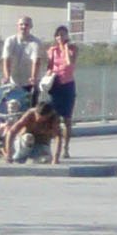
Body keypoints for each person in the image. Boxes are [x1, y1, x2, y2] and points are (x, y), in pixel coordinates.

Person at [36, 24, 78, 160]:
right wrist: (45, 80)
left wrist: (65, 48)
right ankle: (49, 146)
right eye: (58, 35)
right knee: (52, 116)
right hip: (56, 84)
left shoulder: (72, 48)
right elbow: (49, 67)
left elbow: (69, 63)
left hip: (67, 85)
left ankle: (66, 147)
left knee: (67, 119)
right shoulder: (52, 50)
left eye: (63, 34)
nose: (61, 37)